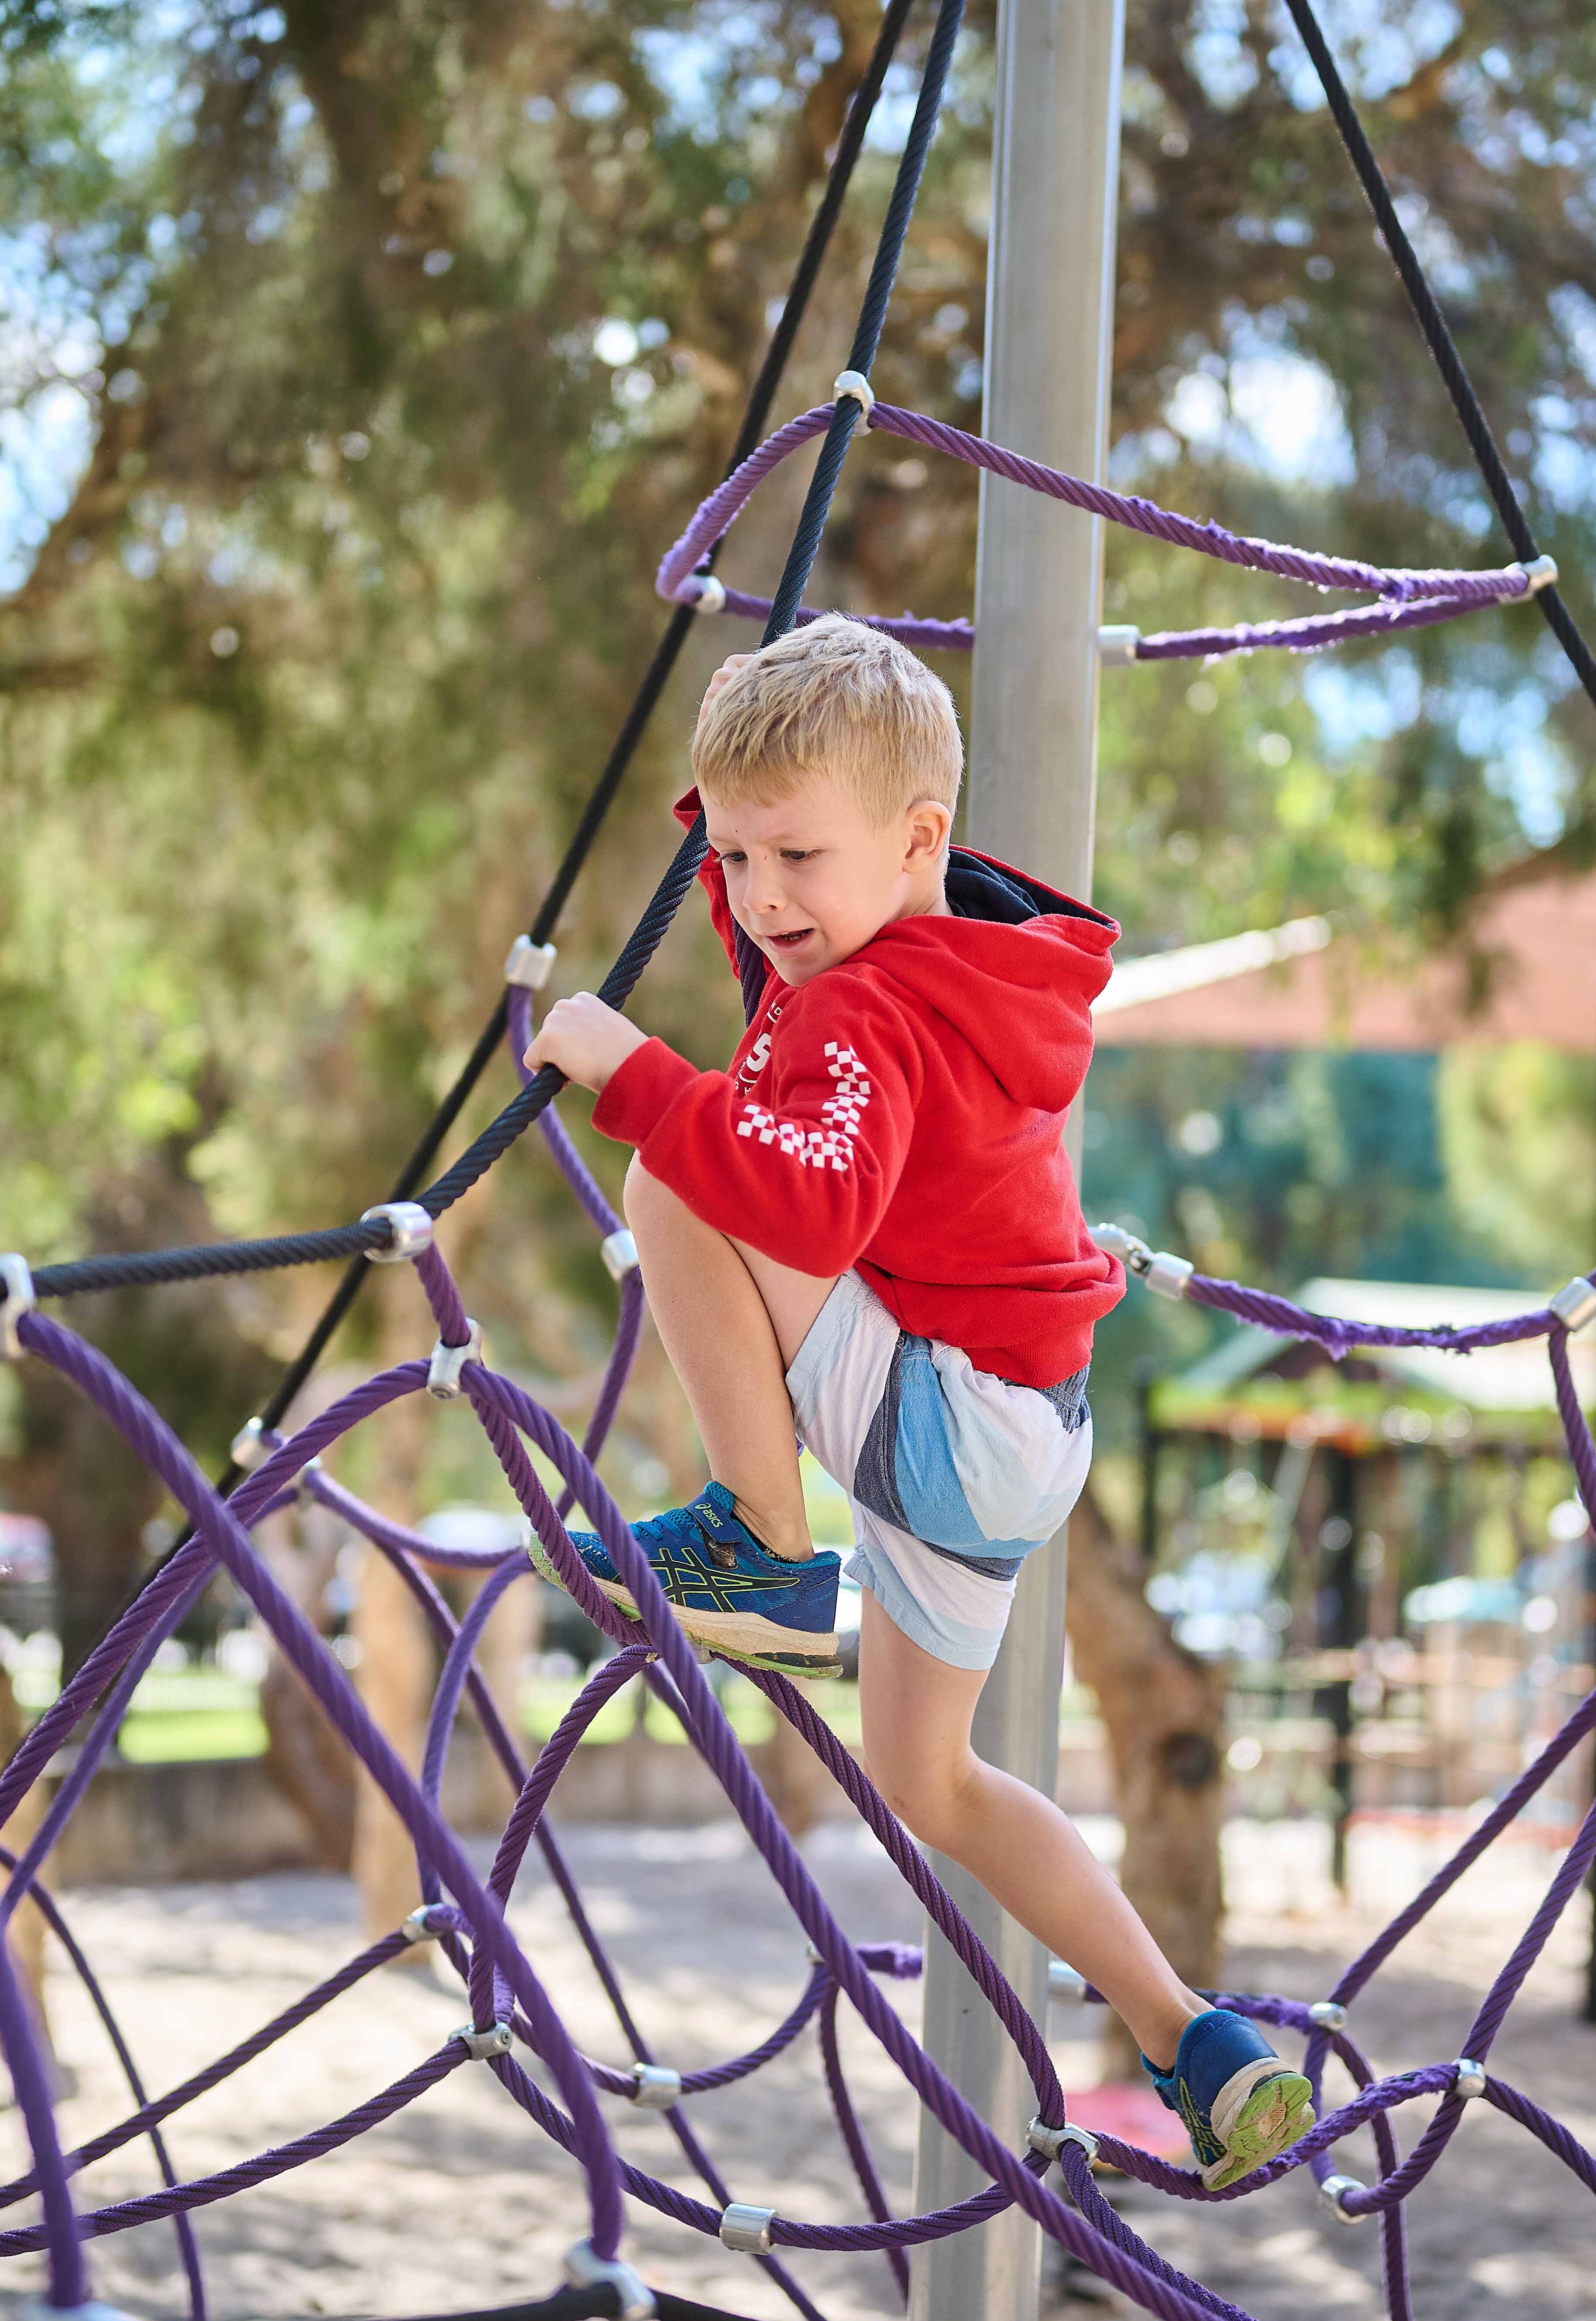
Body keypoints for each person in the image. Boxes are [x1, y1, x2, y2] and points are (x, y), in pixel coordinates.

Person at [524, 614, 1314, 2190]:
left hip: (947, 1424)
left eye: (795, 858)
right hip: (1024, 1433)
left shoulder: (861, 1014)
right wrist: (754, 811)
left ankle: (758, 1538)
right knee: (931, 1781)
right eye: (732, 859)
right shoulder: (969, 963)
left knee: (676, 1179)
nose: (759, 900)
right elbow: (806, 907)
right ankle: (1191, 2035)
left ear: (919, 839)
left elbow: (798, 1209)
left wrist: (635, 1072)